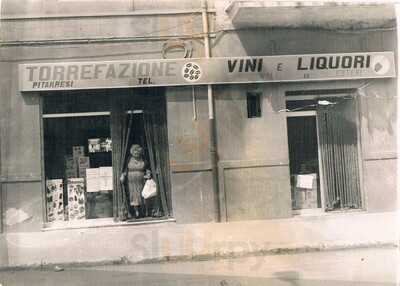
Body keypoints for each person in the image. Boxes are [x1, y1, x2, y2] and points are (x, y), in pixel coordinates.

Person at [120, 144, 148, 218]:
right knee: (134, 196)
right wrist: (123, 175)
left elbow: (147, 168)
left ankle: (143, 211)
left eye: (138, 151)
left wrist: (148, 174)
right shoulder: (129, 159)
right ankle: (136, 212)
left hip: (141, 180)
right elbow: (125, 169)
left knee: (141, 195)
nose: (136, 153)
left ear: (140, 152)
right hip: (131, 181)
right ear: (132, 152)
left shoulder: (143, 158)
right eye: (134, 151)